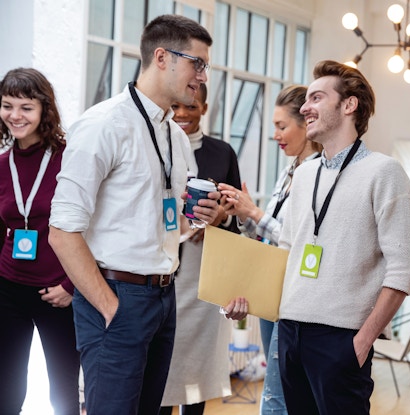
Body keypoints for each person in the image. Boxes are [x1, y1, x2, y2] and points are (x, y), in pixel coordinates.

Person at [48, 15, 246, 414]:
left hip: (163, 296)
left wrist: (201, 219)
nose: (203, 77)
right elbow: (62, 231)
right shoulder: (103, 124)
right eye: (198, 64)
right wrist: (110, 308)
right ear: (162, 57)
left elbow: (168, 221)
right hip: (117, 295)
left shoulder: (174, 135)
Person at [274, 60, 410, 414]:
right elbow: (285, 250)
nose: (305, 108)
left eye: (316, 98)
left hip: (341, 338)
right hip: (291, 331)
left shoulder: (384, 172)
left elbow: (407, 266)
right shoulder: (305, 173)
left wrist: (363, 339)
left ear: (349, 105)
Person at [219, 84, 322, 415]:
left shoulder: (317, 175)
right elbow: (271, 237)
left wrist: (255, 213)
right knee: (275, 392)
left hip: (293, 298)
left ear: (306, 125)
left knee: (276, 396)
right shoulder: (290, 170)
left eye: (282, 126)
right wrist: (244, 215)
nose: (276, 135)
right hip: (271, 293)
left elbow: (299, 243)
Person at [0, 67, 80, 414]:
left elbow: (89, 228)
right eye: (7, 105)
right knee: (6, 388)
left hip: (58, 293)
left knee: (62, 391)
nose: (14, 116)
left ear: (44, 109)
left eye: (25, 107)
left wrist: (71, 285)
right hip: (8, 288)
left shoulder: (70, 160)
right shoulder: (3, 164)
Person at [159, 82, 242, 415]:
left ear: (204, 110)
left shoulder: (222, 153)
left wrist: (219, 218)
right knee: (160, 374)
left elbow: (237, 219)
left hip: (204, 276)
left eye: (191, 107)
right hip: (163, 272)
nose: (182, 114)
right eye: (176, 106)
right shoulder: (158, 146)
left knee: (196, 371)